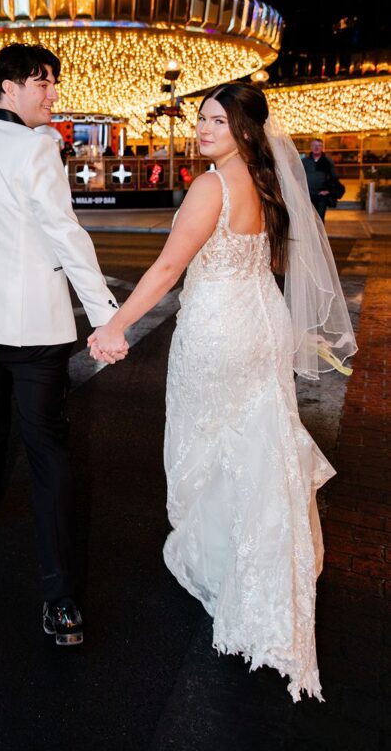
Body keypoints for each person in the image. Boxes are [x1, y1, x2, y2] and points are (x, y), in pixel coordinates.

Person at [88, 82, 356, 701]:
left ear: (243, 128)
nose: (203, 128)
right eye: (201, 118)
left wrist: (115, 325)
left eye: (217, 120)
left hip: (218, 332)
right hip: (261, 324)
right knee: (256, 443)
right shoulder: (265, 182)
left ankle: (225, 566)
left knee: (206, 446)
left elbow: (166, 268)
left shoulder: (212, 186)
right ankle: (260, 564)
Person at [0, 43, 125, 647]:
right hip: (33, 331)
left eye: (53, 83)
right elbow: (67, 237)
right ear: (7, 89)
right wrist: (106, 316)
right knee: (48, 452)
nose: (52, 93)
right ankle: (61, 601)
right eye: (41, 82)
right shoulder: (39, 148)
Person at [303, 138, 340, 221]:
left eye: (319, 145)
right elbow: (298, 177)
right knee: (307, 220)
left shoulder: (328, 162)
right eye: (314, 145)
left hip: (321, 196)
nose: (316, 147)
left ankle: (319, 235)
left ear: (322, 148)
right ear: (311, 147)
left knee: (320, 219)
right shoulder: (304, 162)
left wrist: (329, 190)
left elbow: (334, 178)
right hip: (307, 196)